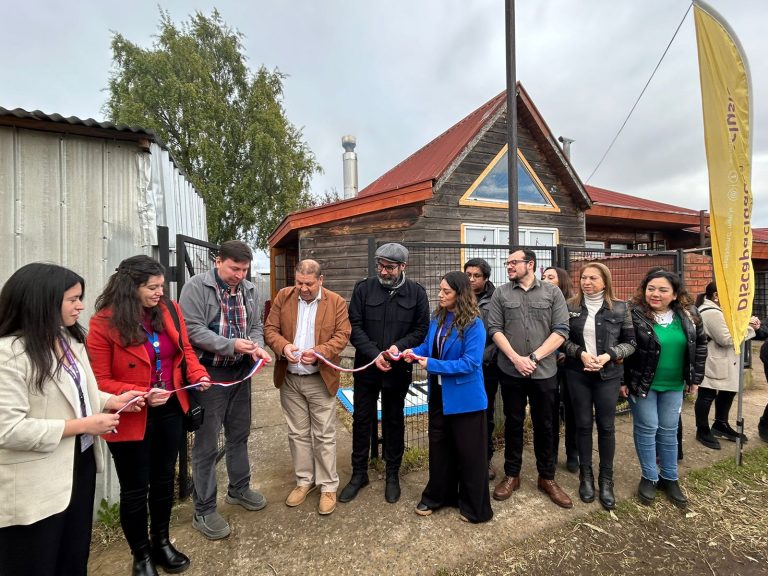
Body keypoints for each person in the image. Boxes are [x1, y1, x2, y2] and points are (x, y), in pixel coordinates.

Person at [0, 263, 144, 576]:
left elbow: (77, 394)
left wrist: (111, 401)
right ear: (42, 301)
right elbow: (8, 430)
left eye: (80, 298)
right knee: (37, 560)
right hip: (35, 480)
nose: (80, 306)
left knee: (74, 554)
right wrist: (84, 426)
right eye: (73, 299)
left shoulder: (68, 340)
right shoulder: (9, 354)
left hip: (79, 464)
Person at [87, 256, 211, 575]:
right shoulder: (103, 323)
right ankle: (141, 555)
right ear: (131, 287)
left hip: (170, 407)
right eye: (152, 287)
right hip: (131, 414)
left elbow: (185, 351)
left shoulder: (169, 309)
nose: (160, 293)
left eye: (161, 286)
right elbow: (98, 381)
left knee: (164, 480)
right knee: (134, 489)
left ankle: (162, 542)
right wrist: (141, 392)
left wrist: (197, 373)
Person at [179, 240, 272, 540]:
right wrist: (230, 345)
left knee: (239, 434)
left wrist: (255, 347)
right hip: (210, 375)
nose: (240, 275)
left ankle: (239, 489)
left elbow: (256, 326)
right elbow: (191, 329)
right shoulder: (196, 287)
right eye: (234, 268)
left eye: (244, 270)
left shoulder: (250, 289)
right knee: (207, 443)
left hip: (241, 372)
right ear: (218, 261)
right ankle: (203, 510)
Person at [339, 242, 429, 504]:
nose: (383, 271)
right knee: (361, 420)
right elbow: (354, 326)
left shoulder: (416, 293)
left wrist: (398, 347)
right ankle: (359, 474)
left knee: (394, 420)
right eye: (380, 266)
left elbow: (421, 329)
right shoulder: (363, 289)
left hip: (397, 369)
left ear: (403, 266)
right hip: (367, 368)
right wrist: (374, 354)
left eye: (389, 267)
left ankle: (392, 475)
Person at [263, 260, 351, 516]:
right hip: (290, 379)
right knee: (297, 433)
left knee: (324, 434)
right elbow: (270, 329)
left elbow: (342, 335)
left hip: (320, 379)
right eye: (299, 282)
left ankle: (328, 486)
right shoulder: (284, 296)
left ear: (320, 280)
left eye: (309, 284)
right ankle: (304, 481)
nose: (303, 288)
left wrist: (320, 351)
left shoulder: (336, 302)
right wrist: (283, 347)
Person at [487, 248, 573, 509]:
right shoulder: (501, 293)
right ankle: (512, 475)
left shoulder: (552, 292)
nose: (509, 266)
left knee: (545, 424)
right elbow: (494, 329)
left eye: (514, 262)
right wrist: (516, 358)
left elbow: (561, 330)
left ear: (530, 264)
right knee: (513, 422)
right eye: (507, 263)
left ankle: (547, 477)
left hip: (544, 371)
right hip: (511, 370)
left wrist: (534, 358)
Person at [405, 271, 493, 523]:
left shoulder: (474, 324)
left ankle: (475, 507)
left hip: (466, 400)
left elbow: (471, 363)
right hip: (439, 395)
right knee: (439, 449)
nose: (440, 295)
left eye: (446, 291)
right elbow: (428, 347)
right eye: (440, 290)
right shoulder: (438, 318)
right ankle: (438, 496)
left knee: (470, 455)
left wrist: (432, 364)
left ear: (460, 294)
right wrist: (412, 352)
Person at [623, 269, 706, 509]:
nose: (655, 294)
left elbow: (700, 346)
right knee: (647, 428)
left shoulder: (689, 315)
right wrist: (622, 381)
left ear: (675, 294)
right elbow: (624, 347)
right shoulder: (634, 314)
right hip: (643, 384)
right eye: (651, 289)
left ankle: (670, 477)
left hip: (674, 384)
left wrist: (695, 378)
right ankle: (649, 476)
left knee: (669, 430)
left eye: (662, 290)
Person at [563, 263, 635, 510]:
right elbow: (562, 340)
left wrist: (608, 355)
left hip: (608, 375)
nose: (586, 282)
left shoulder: (621, 307)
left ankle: (606, 480)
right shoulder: (570, 306)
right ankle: (586, 477)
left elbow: (630, 343)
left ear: (605, 281)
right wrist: (581, 354)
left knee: (606, 427)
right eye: (584, 277)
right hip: (578, 373)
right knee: (583, 425)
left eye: (593, 278)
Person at [694, 282, 758, 449]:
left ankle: (720, 424)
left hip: (724, 360)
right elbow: (726, 339)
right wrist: (750, 329)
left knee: (728, 392)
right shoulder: (711, 312)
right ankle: (702, 430)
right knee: (707, 394)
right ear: (716, 295)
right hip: (713, 360)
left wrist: (746, 322)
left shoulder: (719, 310)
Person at [464, 257, 500, 481]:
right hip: (461, 366)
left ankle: (485, 458)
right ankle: (466, 457)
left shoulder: (496, 299)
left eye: (476, 275)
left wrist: (481, 357)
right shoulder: (458, 295)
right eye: (468, 275)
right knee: (464, 413)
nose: (471, 279)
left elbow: (500, 333)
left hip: (486, 366)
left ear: (486, 278)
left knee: (485, 414)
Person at [541, 266, 579, 473]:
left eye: (551, 277)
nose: (545, 280)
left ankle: (573, 452)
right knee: (550, 411)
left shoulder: (574, 304)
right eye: (543, 276)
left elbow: (577, 333)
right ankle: (551, 452)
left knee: (572, 409)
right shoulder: (540, 301)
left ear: (561, 281)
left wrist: (566, 351)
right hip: (548, 362)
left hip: (570, 363)